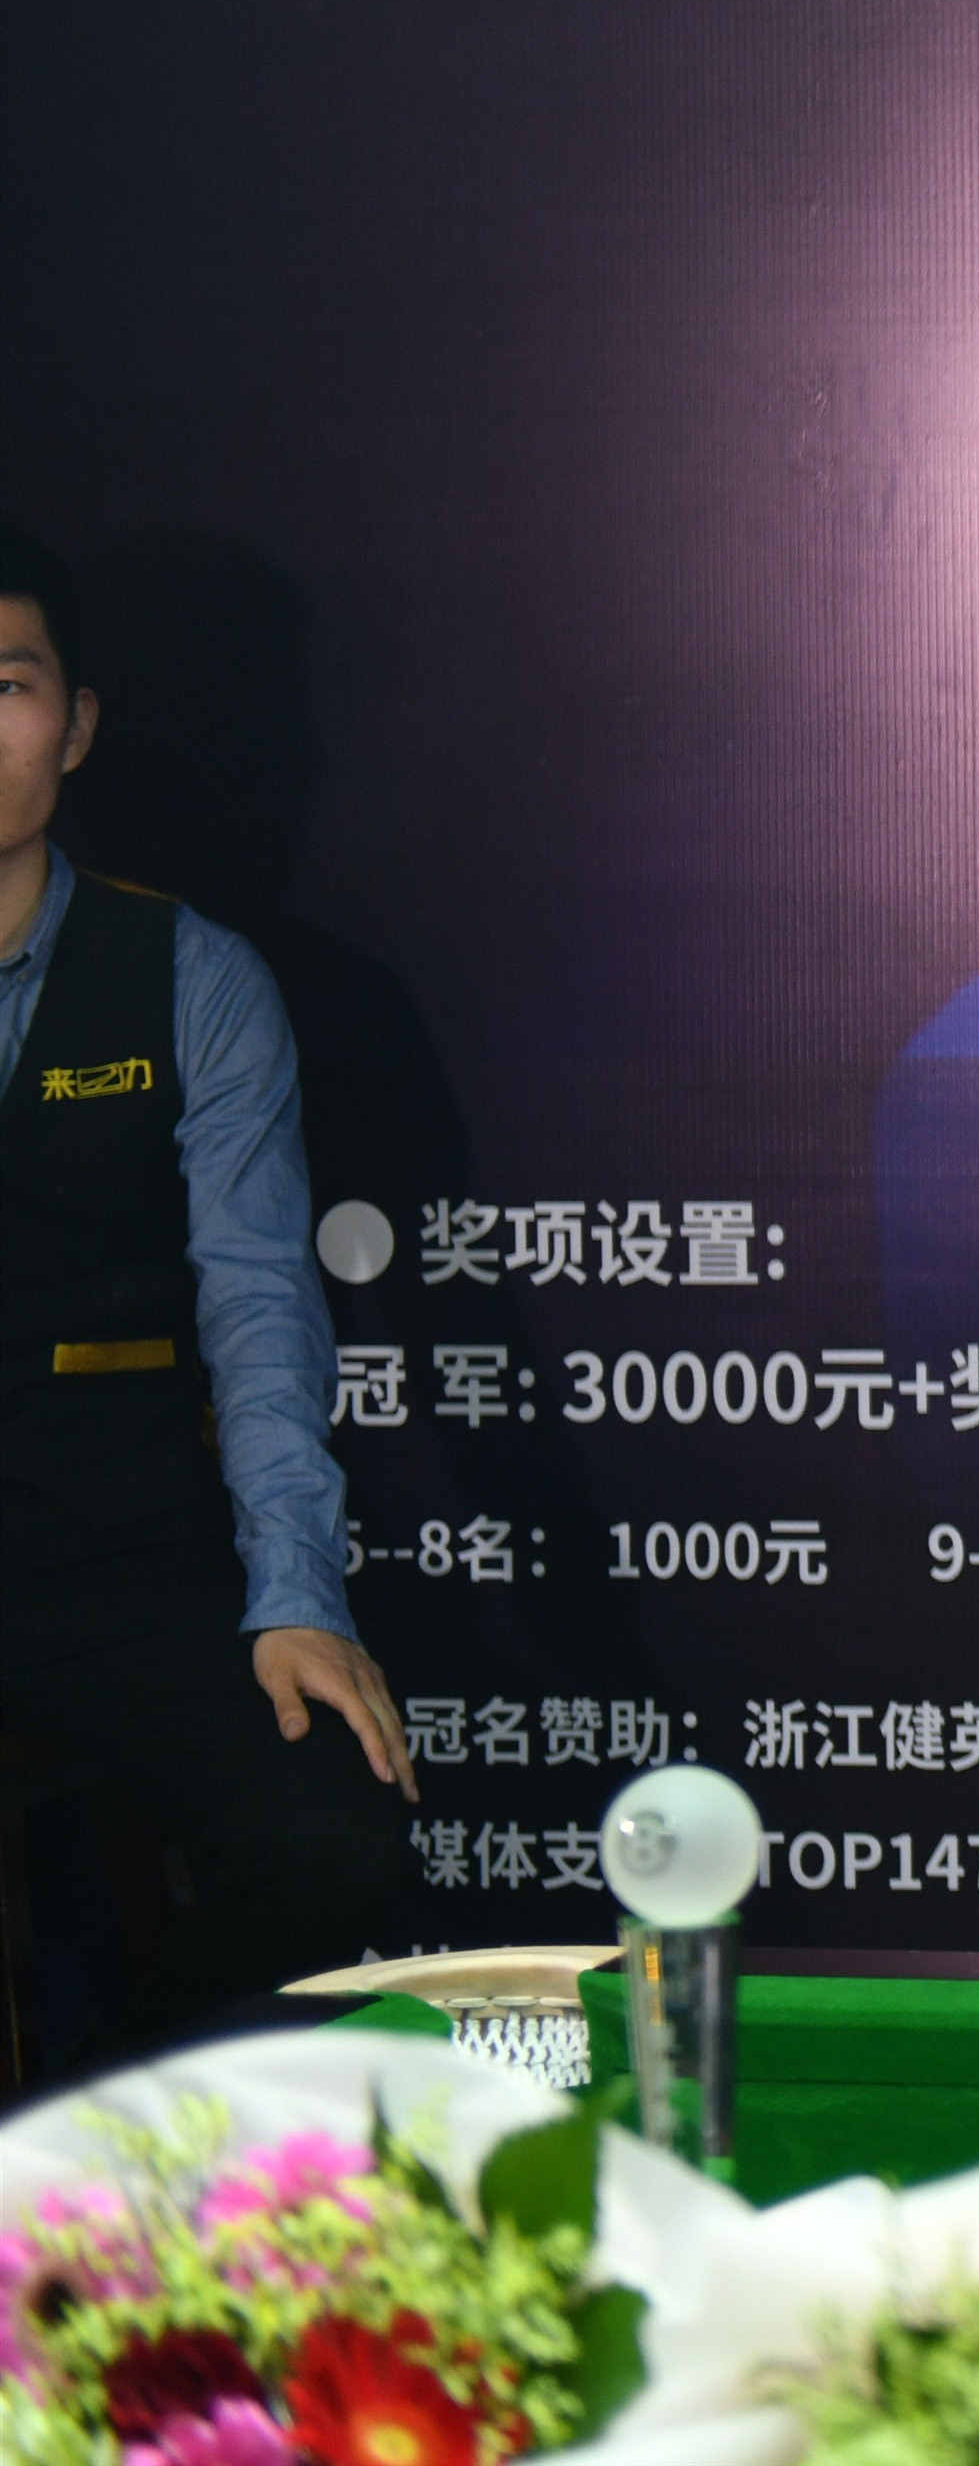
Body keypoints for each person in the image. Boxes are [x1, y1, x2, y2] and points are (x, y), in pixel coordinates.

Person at [0, 518, 414, 2057]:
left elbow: (260, 1309)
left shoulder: (192, 976)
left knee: (332, 1835)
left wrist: (294, 1598)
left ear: (76, 724)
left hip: (123, 1557)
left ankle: (136, 2110)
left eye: (7, 685)